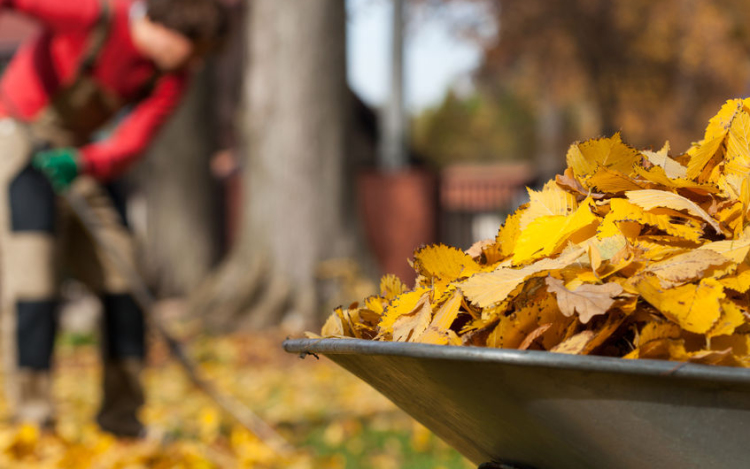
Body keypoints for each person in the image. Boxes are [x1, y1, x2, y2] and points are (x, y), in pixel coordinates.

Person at [0, 0, 228, 437]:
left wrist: (84, 161)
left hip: (79, 156)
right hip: (20, 140)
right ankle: (33, 421)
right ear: (170, 30)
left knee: (127, 282)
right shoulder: (95, 17)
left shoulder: (172, 75)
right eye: (196, 49)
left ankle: (123, 419)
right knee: (33, 287)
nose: (197, 61)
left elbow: (133, 141)